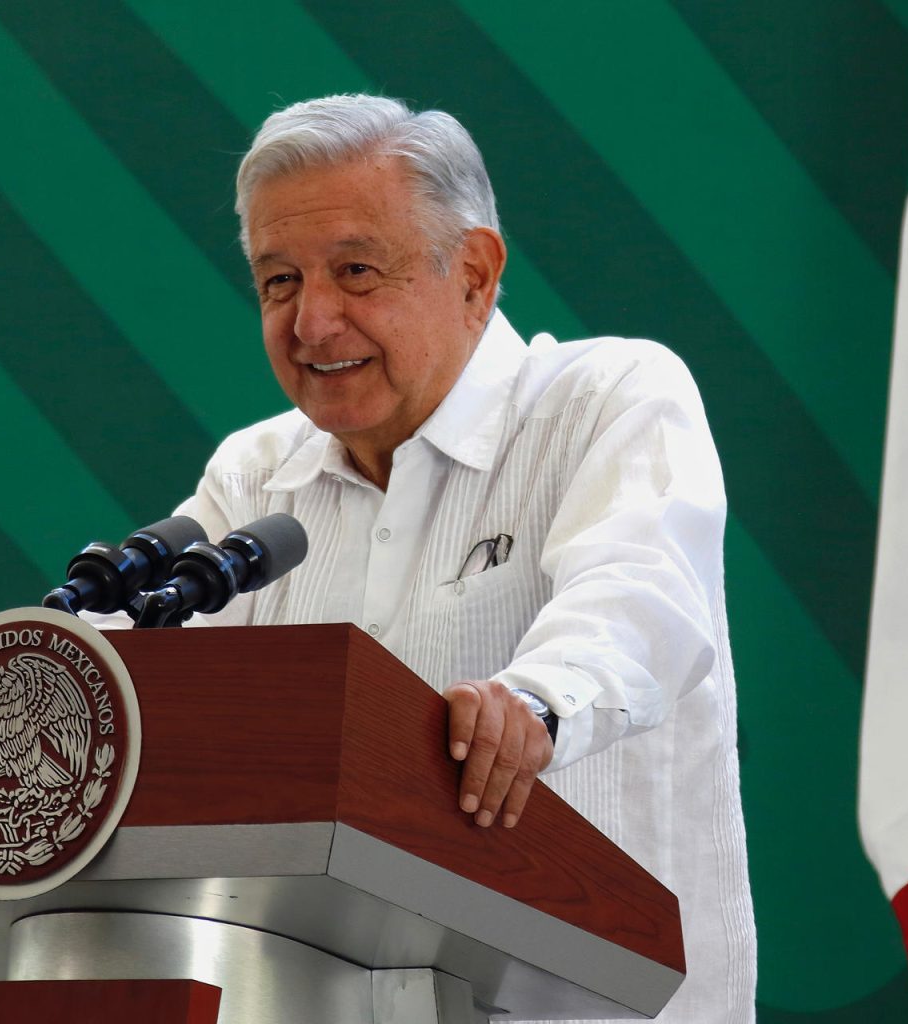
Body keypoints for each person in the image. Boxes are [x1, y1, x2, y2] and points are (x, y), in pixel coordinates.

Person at [175, 94, 755, 1022]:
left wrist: (533, 703)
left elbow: (638, 598)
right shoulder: (255, 473)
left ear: (476, 273)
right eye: (278, 281)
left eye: (356, 271)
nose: (312, 321)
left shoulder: (606, 398)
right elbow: (138, 668)